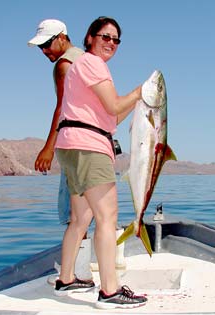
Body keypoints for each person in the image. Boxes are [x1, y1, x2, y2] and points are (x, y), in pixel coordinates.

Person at [54, 16, 148, 309]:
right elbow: (114, 105)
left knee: (81, 218)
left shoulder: (81, 67)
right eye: (105, 36)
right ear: (91, 37)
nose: (110, 43)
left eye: (116, 39)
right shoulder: (93, 63)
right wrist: (140, 92)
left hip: (71, 145)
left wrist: (135, 103)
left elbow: (111, 118)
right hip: (89, 148)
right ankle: (110, 290)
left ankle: (66, 278)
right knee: (107, 217)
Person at [27, 19, 93, 283]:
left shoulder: (64, 64)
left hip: (74, 144)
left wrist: (48, 148)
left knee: (72, 214)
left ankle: (75, 275)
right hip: (93, 145)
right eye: (40, 46)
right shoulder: (87, 60)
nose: (44, 51)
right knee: (88, 211)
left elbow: (62, 108)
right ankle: (81, 272)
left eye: (47, 44)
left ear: (62, 37)